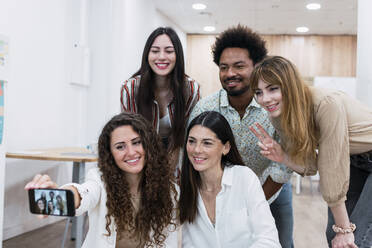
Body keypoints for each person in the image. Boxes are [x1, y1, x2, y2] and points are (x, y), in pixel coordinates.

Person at [249, 55, 372, 248]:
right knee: (334, 234)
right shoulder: (278, 116)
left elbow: (331, 166)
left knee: (359, 238)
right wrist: (283, 156)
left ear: (289, 85)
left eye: (273, 89)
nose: (265, 99)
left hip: (358, 155)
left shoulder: (325, 104)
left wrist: (345, 229)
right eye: (259, 92)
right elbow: (311, 165)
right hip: (354, 159)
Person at [188, 24, 293, 247]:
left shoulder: (274, 107)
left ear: (256, 66)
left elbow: (282, 168)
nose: (230, 74)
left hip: (272, 189)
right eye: (223, 67)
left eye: (239, 66)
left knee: (281, 242)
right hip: (220, 195)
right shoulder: (205, 109)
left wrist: (251, 202)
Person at [25, 112, 178, 248]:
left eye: (136, 142)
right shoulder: (99, 180)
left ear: (149, 144)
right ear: (110, 154)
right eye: (120, 147)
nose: (131, 152)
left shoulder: (169, 190)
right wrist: (59, 196)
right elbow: (84, 193)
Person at [179, 111, 281, 247]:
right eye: (192, 141)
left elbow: (269, 240)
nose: (197, 149)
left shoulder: (244, 178)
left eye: (207, 143)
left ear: (226, 148)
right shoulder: (182, 190)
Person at [120, 27, 200, 171]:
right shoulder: (131, 89)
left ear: (178, 55)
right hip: (140, 158)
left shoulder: (191, 89)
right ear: (147, 55)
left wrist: (169, 175)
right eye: (155, 51)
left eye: (169, 51)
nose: (162, 57)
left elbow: (188, 136)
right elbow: (129, 136)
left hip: (178, 159)